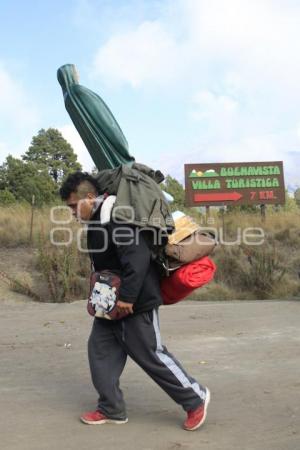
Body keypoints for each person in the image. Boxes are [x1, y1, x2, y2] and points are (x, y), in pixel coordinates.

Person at [59, 171, 210, 431]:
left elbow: (137, 259)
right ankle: (111, 409)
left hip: (135, 301)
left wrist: (128, 298)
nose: (72, 211)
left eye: (74, 205)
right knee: (100, 352)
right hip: (108, 303)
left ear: (90, 197)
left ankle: (195, 398)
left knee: (151, 355)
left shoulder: (118, 219)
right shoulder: (96, 222)